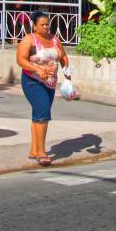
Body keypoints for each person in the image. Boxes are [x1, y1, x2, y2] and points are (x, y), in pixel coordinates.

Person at [16, 12, 71, 166]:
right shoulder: (29, 40)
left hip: (51, 82)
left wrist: (68, 75)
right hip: (32, 82)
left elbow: (63, 57)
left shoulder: (54, 39)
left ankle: (34, 150)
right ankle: (41, 152)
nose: (46, 27)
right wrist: (36, 69)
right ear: (34, 25)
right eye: (42, 24)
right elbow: (20, 59)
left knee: (38, 114)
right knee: (43, 113)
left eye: (47, 24)